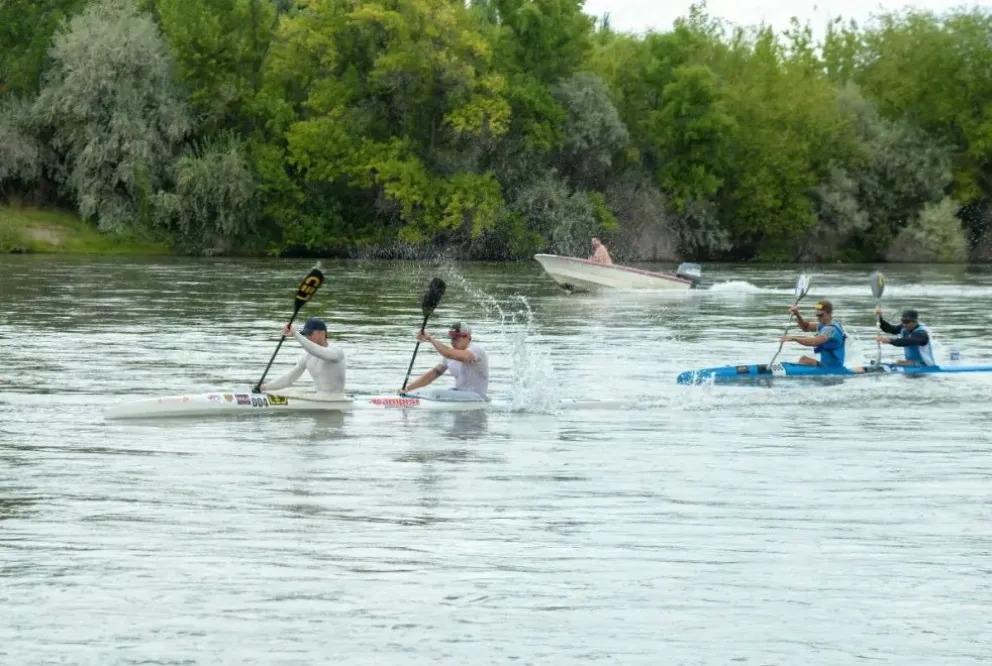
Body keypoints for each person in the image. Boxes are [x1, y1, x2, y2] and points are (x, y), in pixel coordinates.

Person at [400, 322, 490, 399]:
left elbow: (448, 353)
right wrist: (408, 389)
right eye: (451, 337)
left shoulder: (476, 350)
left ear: (468, 337)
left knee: (436, 393)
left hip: (477, 397)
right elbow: (433, 374)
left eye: (456, 337)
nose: (452, 341)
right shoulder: (449, 355)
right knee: (423, 393)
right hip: (459, 395)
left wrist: (429, 339)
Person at [260, 317, 346, 394]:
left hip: (337, 400)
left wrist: (296, 334)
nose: (308, 337)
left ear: (322, 333)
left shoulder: (337, 353)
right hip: (319, 398)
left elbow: (316, 351)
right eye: (306, 334)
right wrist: (266, 387)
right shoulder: (307, 357)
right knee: (288, 391)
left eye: (310, 334)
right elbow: (289, 378)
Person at [779, 299, 847, 367]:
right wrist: (797, 315)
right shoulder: (824, 324)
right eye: (817, 315)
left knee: (804, 360)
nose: (818, 318)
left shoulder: (831, 330)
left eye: (820, 315)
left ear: (829, 313)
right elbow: (805, 327)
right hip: (826, 365)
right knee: (804, 360)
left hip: (833, 368)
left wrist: (794, 338)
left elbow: (815, 341)